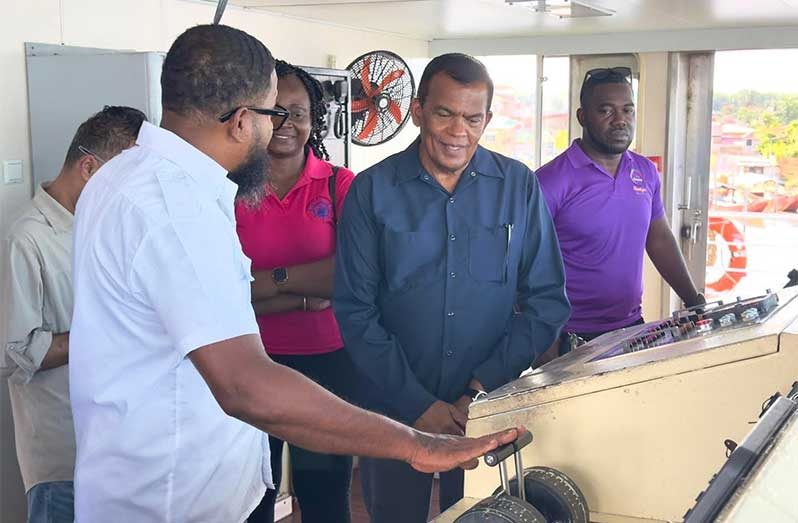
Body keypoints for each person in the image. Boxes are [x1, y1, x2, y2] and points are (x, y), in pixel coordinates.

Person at [68, 26, 521, 523]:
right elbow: (244, 384)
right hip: (174, 501)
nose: (275, 131)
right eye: (271, 115)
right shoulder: (177, 211)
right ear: (243, 122)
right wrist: (414, 444)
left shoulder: (120, 175)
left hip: (140, 483)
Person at [333, 53, 570, 523]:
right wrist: (418, 404)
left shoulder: (518, 186)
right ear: (417, 111)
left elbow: (546, 301)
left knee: (482, 517)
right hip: (394, 410)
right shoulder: (371, 190)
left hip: (488, 409)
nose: (457, 131)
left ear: (487, 120)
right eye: (444, 113)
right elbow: (355, 310)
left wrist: (477, 393)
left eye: (472, 118)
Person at [2, 106, 146, 523]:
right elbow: (14, 352)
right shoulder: (27, 239)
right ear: (89, 168)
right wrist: (108, 328)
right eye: (125, 181)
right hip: (63, 455)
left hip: (120, 445)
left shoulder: (109, 227)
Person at [237, 60, 359, 523]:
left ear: (314, 119)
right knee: (251, 497)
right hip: (247, 362)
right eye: (275, 111)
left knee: (325, 497)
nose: (286, 123)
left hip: (326, 365)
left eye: (299, 112)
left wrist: (265, 283)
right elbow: (221, 288)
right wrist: (303, 295)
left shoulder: (339, 185)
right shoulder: (228, 189)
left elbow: (349, 276)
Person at [536, 66, 704, 347]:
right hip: (568, 334)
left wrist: (694, 300)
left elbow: (659, 239)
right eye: (606, 111)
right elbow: (521, 261)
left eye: (628, 110)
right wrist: (543, 340)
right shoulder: (550, 180)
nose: (620, 120)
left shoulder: (645, 171)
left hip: (629, 326)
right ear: (582, 117)